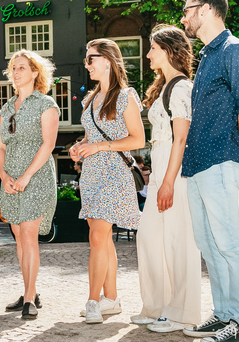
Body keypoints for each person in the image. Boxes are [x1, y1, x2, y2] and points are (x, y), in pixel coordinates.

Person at [179, 0, 239, 342]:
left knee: (229, 242)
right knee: (208, 243)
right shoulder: (208, 55)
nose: (184, 17)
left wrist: (236, 154)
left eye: (188, 9)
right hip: (197, 164)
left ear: (207, 10)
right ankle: (224, 313)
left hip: (220, 160)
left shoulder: (234, 50)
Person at [69, 38, 145, 325]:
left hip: (114, 174)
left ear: (108, 60)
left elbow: (138, 139)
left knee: (98, 237)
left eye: (91, 58)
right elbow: (95, 137)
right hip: (91, 174)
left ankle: (93, 301)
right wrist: (81, 145)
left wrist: (97, 147)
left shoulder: (126, 95)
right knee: (102, 239)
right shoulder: (90, 98)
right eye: (86, 59)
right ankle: (111, 299)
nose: (86, 64)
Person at [132, 24, 201, 333]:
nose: (148, 54)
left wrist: (169, 182)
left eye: (153, 49)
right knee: (150, 238)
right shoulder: (164, 86)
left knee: (178, 241)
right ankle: (157, 305)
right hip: (161, 165)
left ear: (169, 51)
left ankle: (181, 313)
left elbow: (182, 139)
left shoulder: (182, 87)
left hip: (175, 169)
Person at [0, 50, 59, 321]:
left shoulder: (47, 104)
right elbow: (0, 146)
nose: (16, 72)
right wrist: (3, 174)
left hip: (37, 176)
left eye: (22, 67)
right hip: (10, 176)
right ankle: (28, 291)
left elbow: (49, 144)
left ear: (35, 72)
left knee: (29, 234)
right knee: (19, 237)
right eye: (13, 68)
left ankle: (30, 298)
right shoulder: (7, 106)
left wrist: (26, 176)